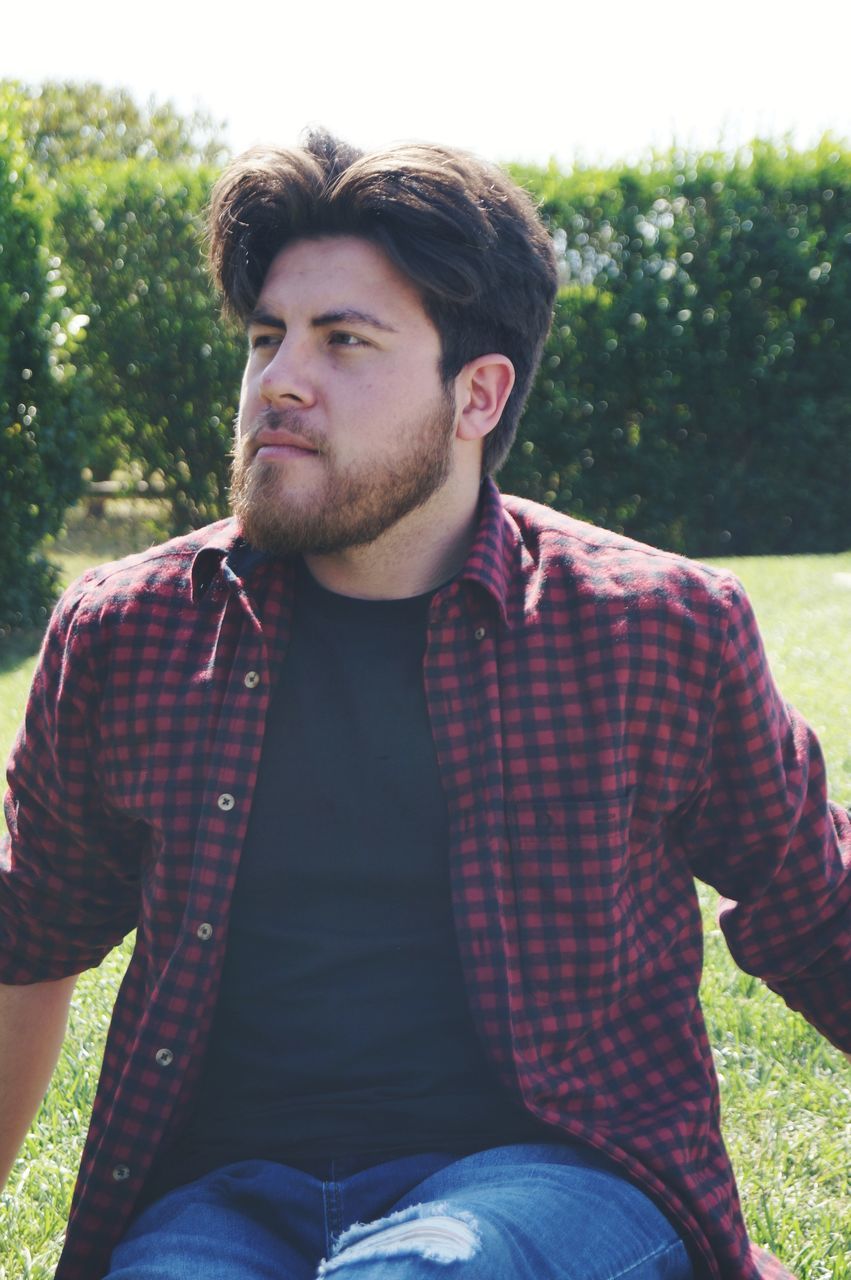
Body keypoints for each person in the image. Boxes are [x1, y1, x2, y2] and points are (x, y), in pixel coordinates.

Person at [0, 130, 848, 1280]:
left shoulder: (654, 628)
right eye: (266, 336)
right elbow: (28, 936)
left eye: (344, 339)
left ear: (477, 394)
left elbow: (815, 905)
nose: (278, 379)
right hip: (218, 1197)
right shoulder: (128, 633)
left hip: (553, 1173)